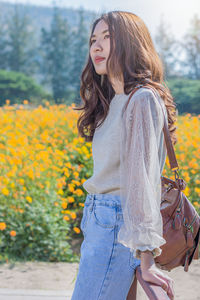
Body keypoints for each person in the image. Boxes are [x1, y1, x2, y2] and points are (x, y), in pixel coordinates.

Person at [71, 11, 176, 300]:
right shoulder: (113, 101)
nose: (97, 47)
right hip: (100, 222)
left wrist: (146, 259)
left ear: (131, 44)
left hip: (117, 224)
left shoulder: (141, 99)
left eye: (108, 38)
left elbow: (141, 183)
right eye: (94, 39)